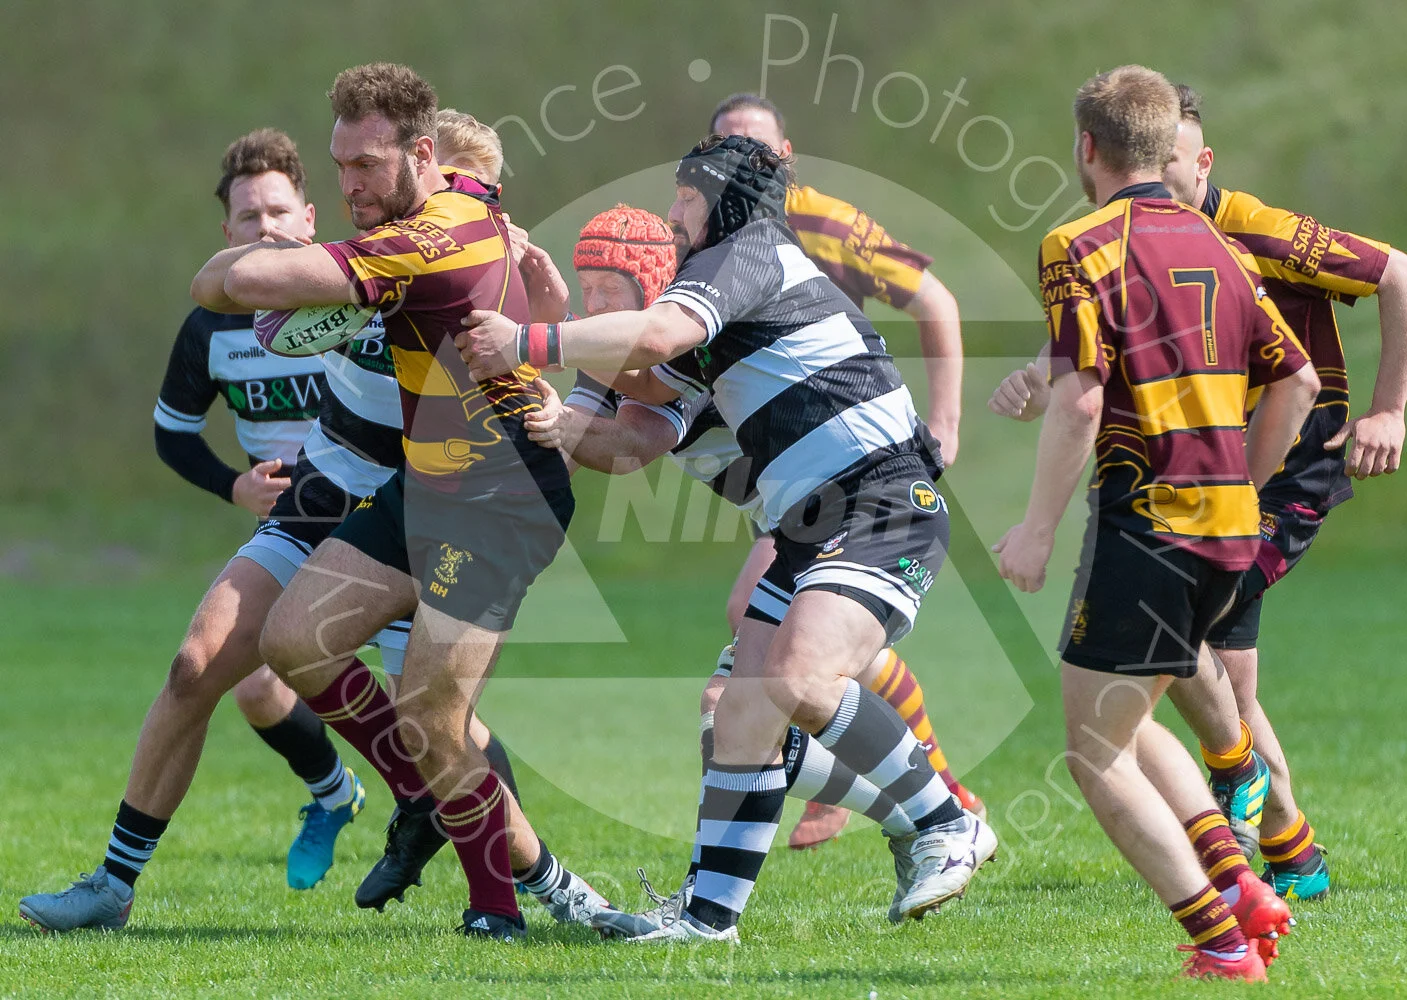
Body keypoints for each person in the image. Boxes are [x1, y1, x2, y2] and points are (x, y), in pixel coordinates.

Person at [457, 134, 997, 941]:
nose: (673, 213)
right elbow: (638, 415)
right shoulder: (715, 299)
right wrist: (557, 401)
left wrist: (531, 341)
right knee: (742, 712)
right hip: (807, 522)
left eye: (685, 197)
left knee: (799, 678)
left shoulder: (746, 252)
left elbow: (653, 341)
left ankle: (946, 821)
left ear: (725, 200)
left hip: (880, 496)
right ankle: (709, 919)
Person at [991, 85, 1407, 898]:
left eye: (1174, 159)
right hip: (1202, 473)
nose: (1160, 172)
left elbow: (1404, 274)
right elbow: (1107, 345)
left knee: (1192, 635)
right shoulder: (1144, 241)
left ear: (1202, 162)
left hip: (1283, 470)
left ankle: (1245, 801)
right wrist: (1036, 376)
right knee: (1215, 658)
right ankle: (1290, 851)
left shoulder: (1247, 231)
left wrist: (1389, 410)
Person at [186, 63, 582, 943]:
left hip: (504, 494)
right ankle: (420, 797)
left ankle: (500, 909)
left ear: (420, 155)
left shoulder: (418, 244)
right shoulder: (464, 196)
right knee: (293, 640)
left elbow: (229, 289)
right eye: (340, 167)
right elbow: (480, 182)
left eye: (367, 166)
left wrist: (252, 261)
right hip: (428, 480)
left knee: (433, 713)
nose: (351, 185)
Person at [993, 65, 1319, 980]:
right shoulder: (1222, 245)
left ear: (1086, 147)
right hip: (1228, 533)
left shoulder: (1077, 244)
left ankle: (1222, 943)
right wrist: (1243, 486)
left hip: (1148, 528)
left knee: (1092, 754)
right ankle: (1240, 884)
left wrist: (1036, 530)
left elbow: (1078, 401)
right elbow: (1297, 382)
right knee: (1127, 718)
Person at [19, 130, 374, 933]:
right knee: (207, 672)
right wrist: (234, 485)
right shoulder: (211, 329)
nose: (266, 228)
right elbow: (172, 434)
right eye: (248, 217)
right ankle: (115, 886)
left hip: (381, 527)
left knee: (439, 718)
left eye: (278, 211)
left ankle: (520, 892)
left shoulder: (362, 299)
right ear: (227, 235)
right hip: (293, 526)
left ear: (310, 217)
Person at [698, 94, 979, 847]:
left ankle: (932, 797)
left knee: (768, 628)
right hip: (781, 461)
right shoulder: (705, 240)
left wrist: (947, 422)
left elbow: (935, 301)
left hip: (850, 460)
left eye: (758, 149)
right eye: (727, 147)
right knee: (801, 640)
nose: (744, 162)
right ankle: (917, 786)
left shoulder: (821, 220)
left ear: (785, 157)